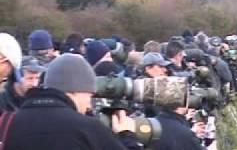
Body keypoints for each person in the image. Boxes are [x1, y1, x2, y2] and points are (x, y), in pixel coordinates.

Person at [4, 54, 143, 150]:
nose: (89, 105)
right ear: (76, 89)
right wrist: (126, 136)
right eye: (89, 96)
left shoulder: (7, 122)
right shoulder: (87, 128)